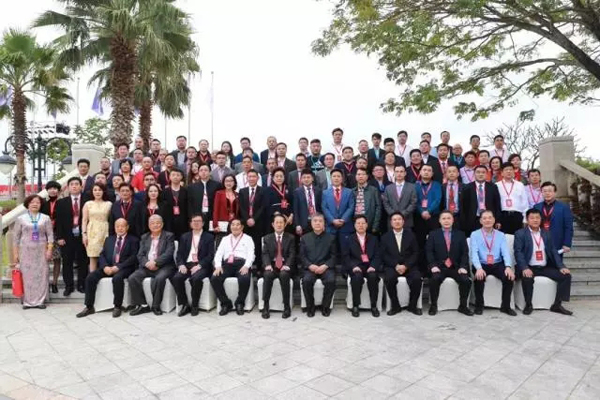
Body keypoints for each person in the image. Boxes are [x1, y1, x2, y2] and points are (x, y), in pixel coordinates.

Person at [76, 218, 140, 318]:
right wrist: (105, 266)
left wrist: (118, 267)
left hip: (124, 268)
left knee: (117, 278)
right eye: (117, 226)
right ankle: (89, 306)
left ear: (127, 227)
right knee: (90, 277)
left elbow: (134, 257)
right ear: (114, 227)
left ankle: (117, 306)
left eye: (122, 226)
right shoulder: (109, 239)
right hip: (108, 266)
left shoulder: (133, 240)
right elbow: (102, 255)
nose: (120, 228)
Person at [514, 209, 573, 316]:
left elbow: (553, 251)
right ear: (527, 219)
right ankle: (528, 305)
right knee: (527, 278)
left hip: (544, 267)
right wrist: (524, 268)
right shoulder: (520, 233)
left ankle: (557, 305)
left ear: (541, 219)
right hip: (529, 266)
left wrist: (561, 266)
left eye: (537, 218)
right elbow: (518, 252)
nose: (535, 220)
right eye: (532, 218)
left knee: (566, 276)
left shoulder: (546, 233)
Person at [425, 211, 473, 316]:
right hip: (439, 267)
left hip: (455, 267)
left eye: (448, 218)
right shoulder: (433, 234)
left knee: (466, 280)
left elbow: (464, 253)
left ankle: (463, 306)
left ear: (453, 220)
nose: (446, 221)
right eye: (443, 218)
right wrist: (433, 265)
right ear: (439, 221)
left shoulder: (460, 234)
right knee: (434, 279)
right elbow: (429, 252)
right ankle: (433, 305)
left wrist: (463, 266)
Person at [470, 210, 517, 316]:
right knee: (479, 278)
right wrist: (478, 268)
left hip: (497, 263)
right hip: (481, 264)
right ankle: (479, 306)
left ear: (494, 220)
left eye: (490, 217)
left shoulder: (500, 235)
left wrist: (508, 266)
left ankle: (505, 306)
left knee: (509, 278)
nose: (487, 220)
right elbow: (474, 253)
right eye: (484, 218)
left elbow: (505, 252)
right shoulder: (475, 234)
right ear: (480, 221)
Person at [129, 215, 176, 316]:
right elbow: (140, 255)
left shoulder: (169, 236)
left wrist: (156, 262)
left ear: (162, 224)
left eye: (158, 223)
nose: (155, 225)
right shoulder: (144, 237)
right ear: (149, 225)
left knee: (159, 278)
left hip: (164, 266)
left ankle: (156, 305)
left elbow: (169, 253)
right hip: (147, 266)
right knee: (133, 278)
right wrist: (147, 263)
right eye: (152, 223)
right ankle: (143, 305)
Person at [13, 195, 54, 309]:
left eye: (37, 202)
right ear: (27, 204)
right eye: (32, 202)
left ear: (41, 205)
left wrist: (49, 249)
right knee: (27, 275)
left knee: (42, 275)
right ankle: (27, 301)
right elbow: (16, 238)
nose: (35, 204)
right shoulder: (21, 218)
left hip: (41, 251)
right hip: (25, 251)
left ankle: (41, 301)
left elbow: (50, 235)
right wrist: (16, 254)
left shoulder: (45, 218)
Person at [171, 214, 215, 317]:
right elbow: (179, 254)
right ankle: (184, 304)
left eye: (198, 221)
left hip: (202, 265)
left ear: (203, 223)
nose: (196, 223)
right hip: (187, 264)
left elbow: (210, 255)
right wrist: (181, 265)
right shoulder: (185, 236)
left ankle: (195, 305)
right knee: (176, 278)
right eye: (194, 221)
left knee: (196, 278)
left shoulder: (209, 237)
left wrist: (200, 265)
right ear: (190, 223)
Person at [211, 218, 255, 315]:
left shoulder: (248, 238)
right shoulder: (225, 239)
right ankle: (225, 303)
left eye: (237, 224)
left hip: (241, 264)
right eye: (233, 224)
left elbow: (251, 255)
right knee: (214, 278)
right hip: (227, 265)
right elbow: (218, 254)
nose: (235, 227)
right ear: (230, 227)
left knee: (244, 279)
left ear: (242, 227)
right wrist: (218, 266)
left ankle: (240, 303)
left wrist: (246, 266)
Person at [381, 212, 422, 315]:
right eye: (394, 220)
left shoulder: (411, 235)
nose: (397, 222)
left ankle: (412, 306)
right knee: (389, 279)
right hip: (392, 266)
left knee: (417, 279)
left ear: (403, 221)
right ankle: (395, 306)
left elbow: (416, 252)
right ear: (391, 222)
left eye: (399, 219)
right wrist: (395, 265)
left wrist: (406, 265)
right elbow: (383, 255)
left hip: (409, 266)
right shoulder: (385, 237)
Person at [299, 214, 337, 317]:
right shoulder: (304, 238)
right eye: (315, 221)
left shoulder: (331, 238)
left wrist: (325, 266)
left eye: (320, 221)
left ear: (324, 223)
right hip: (310, 267)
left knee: (331, 280)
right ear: (311, 223)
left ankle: (325, 307)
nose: (317, 223)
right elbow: (302, 256)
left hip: (326, 267)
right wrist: (310, 265)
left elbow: (334, 256)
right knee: (306, 280)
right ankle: (310, 307)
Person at [343, 216, 382, 317]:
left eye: (363, 223)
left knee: (373, 277)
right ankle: (356, 305)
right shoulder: (349, 239)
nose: (361, 225)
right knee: (356, 277)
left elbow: (378, 255)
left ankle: (374, 306)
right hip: (356, 266)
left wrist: (373, 266)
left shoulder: (373, 238)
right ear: (354, 225)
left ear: (367, 225)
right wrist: (353, 266)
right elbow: (346, 256)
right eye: (358, 223)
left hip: (370, 266)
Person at [56, 177, 89, 295]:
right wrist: (59, 237)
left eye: (76, 184)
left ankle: (81, 284)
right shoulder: (61, 202)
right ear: (68, 187)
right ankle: (68, 286)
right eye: (72, 184)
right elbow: (59, 221)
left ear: (81, 186)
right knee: (67, 262)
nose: (74, 186)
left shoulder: (88, 201)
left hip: (83, 236)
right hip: (67, 237)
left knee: (83, 261)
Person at [261, 214, 296, 319]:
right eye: (277, 222)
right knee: (267, 275)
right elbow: (265, 253)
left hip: (285, 265)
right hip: (272, 265)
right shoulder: (267, 238)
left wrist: (287, 265)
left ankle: (286, 306)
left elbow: (292, 254)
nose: (279, 225)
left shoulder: (291, 238)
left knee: (284, 275)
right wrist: (267, 264)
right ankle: (265, 306)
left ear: (285, 224)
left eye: (281, 222)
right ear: (273, 224)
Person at [460, 165, 502, 237]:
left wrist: (497, 220)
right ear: (474, 174)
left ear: (487, 174)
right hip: (472, 220)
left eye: (483, 172)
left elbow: (497, 205)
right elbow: (463, 207)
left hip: (488, 220)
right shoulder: (466, 188)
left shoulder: (493, 187)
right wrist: (464, 222)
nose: (480, 174)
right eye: (478, 172)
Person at [534, 182, 573, 258]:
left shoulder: (563, 207)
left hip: (557, 242)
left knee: (556, 264)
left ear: (555, 193)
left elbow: (568, 227)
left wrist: (567, 244)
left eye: (550, 191)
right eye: (544, 191)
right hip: (539, 242)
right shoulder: (536, 207)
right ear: (541, 193)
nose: (547, 193)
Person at [239, 170, 267, 269]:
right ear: (247, 178)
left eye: (253, 176)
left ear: (257, 178)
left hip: (258, 222)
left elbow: (263, 207)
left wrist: (254, 219)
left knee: (257, 245)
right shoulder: (242, 191)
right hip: (246, 223)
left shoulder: (263, 191)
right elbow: (241, 207)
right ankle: (246, 266)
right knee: (246, 244)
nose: (251, 178)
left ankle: (258, 266)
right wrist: (247, 219)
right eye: (249, 176)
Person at [322, 169, 355, 251]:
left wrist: (343, 219)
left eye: (338, 176)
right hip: (331, 226)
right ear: (331, 178)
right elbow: (324, 208)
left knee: (345, 250)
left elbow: (351, 207)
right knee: (331, 250)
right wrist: (332, 220)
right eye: (334, 176)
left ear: (342, 178)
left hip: (345, 225)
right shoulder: (325, 193)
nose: (336, 178)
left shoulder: (349, 192)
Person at [82, 183, 112, 272]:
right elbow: (84, 220)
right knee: (93, 257)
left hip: (105, 231)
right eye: (95, 190)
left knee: (106, 256)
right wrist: (84, 234)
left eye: (100, 190)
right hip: (92, 232)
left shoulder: (109, 204)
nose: (97, 192)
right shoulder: (88, 204)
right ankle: (92, 277)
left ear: (103, 191)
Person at [41, 181, 62, 294]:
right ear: (47, 190)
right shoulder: (43, 203)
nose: (53, 190)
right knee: (44, 259)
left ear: (58, 191)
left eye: (55, 188)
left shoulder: (62, 203)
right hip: (44, 235)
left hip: (57, 234)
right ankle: (44, 283)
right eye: (50, 188)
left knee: (57, 259)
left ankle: (54, 283)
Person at [496, 162, 528, 234]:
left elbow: (524, 203)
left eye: (510, 169)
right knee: (503, 238)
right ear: (502, 173)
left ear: (514, 172)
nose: (509, 171)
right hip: (503, 216)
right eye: (506, 170)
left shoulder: (520, 185)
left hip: (517, 216)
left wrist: (525, 219)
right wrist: (497, 220)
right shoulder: (496, 185)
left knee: (517, 237)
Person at [188, 164, 221, 232]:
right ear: (198, 172)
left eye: (206, 170)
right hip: (197, 216)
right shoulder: (192, 187)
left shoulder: (217, 185)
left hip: (212, 215)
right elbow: (190, 204)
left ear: (210, 172)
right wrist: (191, 218)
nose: (203, 172)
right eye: (201, 170)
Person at [293, 169, 322, 236]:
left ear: (312, 178)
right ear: (301, 179)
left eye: (308, 177)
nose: (306, 179)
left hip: (317, 221)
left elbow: (321, 207)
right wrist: (297, 224)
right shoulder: (297, 192)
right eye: (304, 177)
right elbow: (295, 210)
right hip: (304, 223)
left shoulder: (318, 191)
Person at [162, 168, 189, 239]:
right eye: (173, 175)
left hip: (183, 221)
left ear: (181, 177)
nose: (175, 177)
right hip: (168, 221)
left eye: (178, 175)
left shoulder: (186, 191)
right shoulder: (164, 192)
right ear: (170, 177)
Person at [353, 168, 381, 233]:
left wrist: (375, 226)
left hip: (370, 225)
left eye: (363, 174)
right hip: (355, 225)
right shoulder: (352, 191)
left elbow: (378, 208)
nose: (360, 176)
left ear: (367, 176)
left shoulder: (374, 190)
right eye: (358, 174)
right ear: (355, 176)